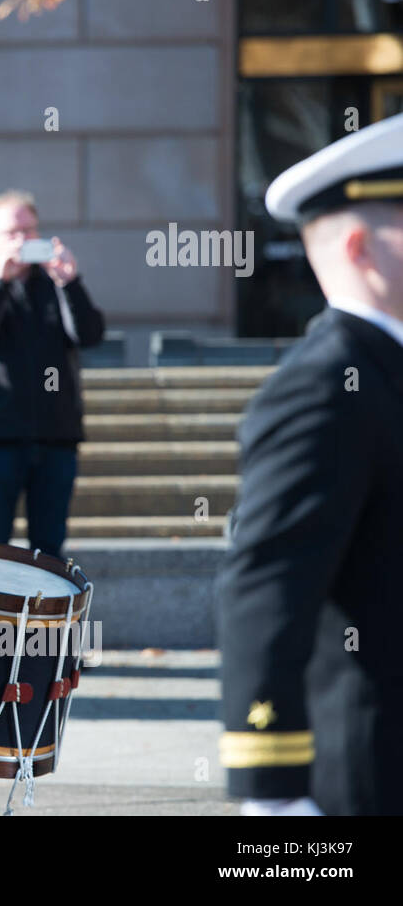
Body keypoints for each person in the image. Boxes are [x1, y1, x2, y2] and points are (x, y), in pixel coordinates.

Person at [217, 112, 403, 816]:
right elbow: (264, 595)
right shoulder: (325, 384)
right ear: (360, 247)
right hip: (370, 780)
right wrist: (273, 798)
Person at [0, 190, 105, 557]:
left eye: (29, 231)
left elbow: (89, 334)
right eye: (11, 233)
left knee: (49, 551)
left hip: (55, 438)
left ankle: (46, 618)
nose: (22, 240)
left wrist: (71, 282)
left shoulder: (57, 285)